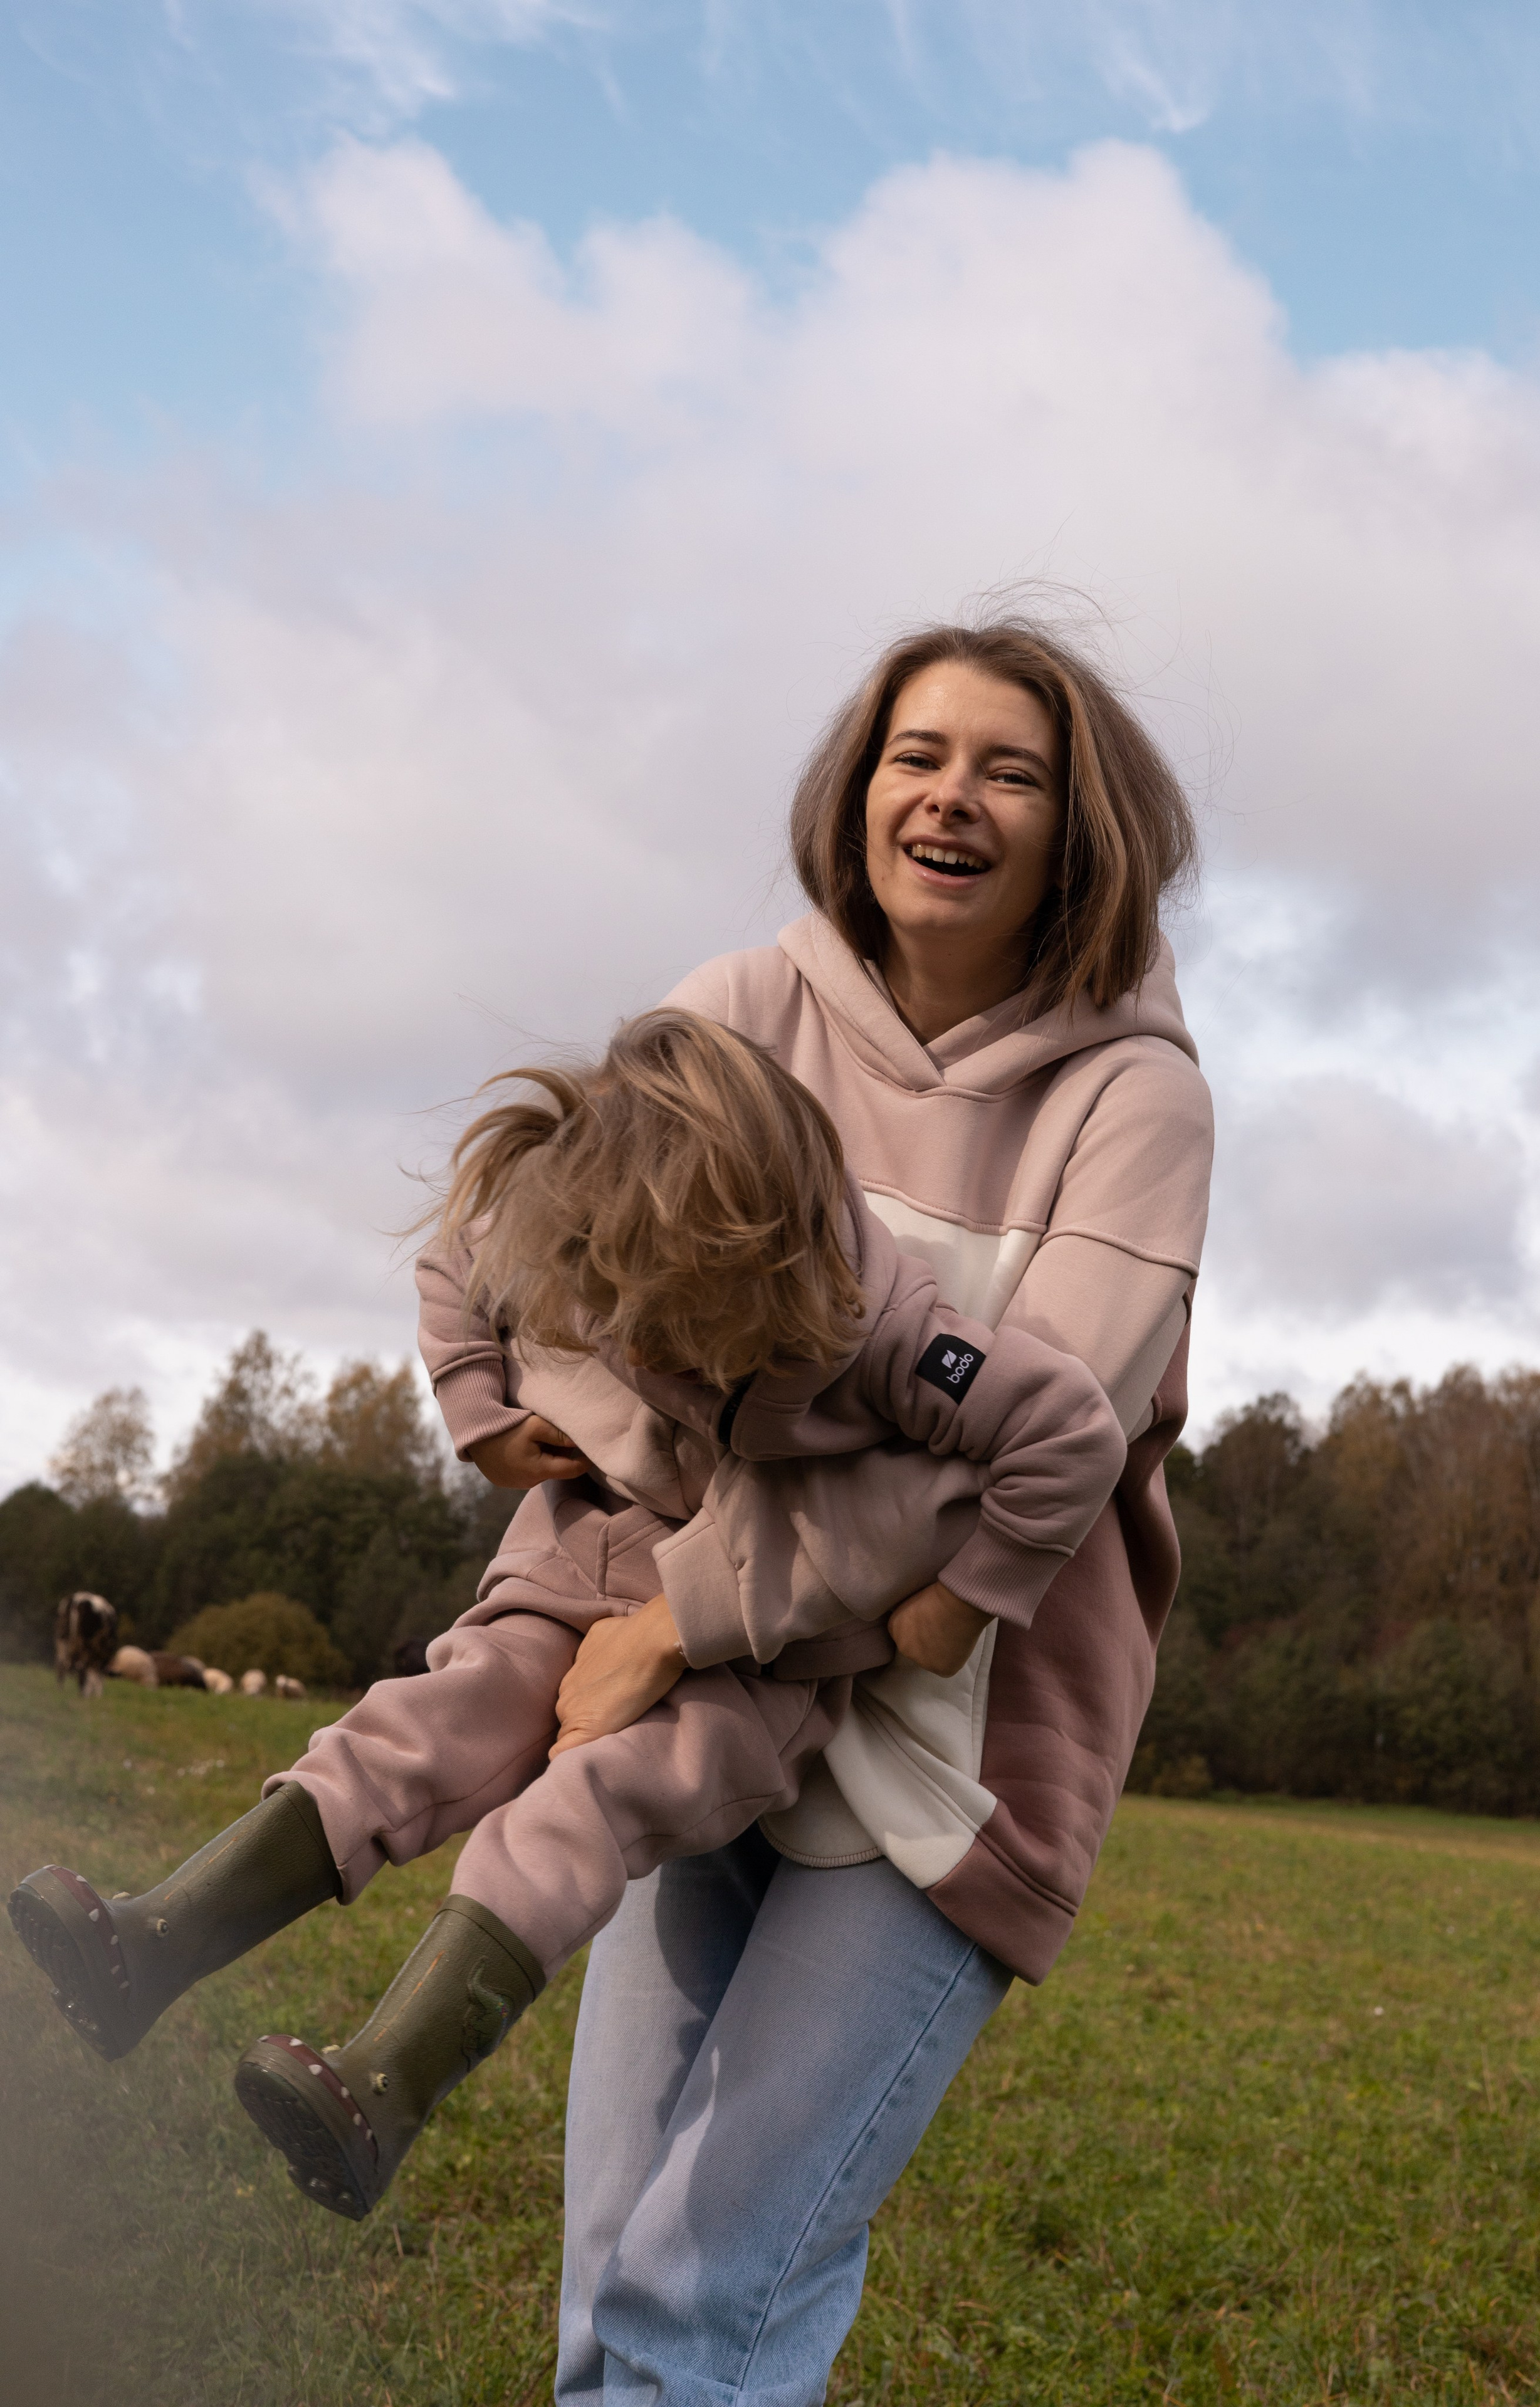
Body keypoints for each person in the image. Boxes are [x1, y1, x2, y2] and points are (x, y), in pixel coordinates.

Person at [431, 614, 1213, 2405]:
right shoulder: (738, 1010)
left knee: (700, 2302)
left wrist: (679, 1612)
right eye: (915, 757)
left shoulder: (1139, 1102)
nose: (950, 798)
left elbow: (1018, 1448)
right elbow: (563, 1259)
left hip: (944, 1737)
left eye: (1010, 773)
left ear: (1080, 830)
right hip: (695, 1710)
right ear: (857, 791)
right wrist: (492, 1403)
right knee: (604, 2285)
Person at [6, 1010, 1125, 2227]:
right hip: (578, 1560)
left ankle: (382, 2091)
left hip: (755, 1661)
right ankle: (148, 1946)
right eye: (609, 1302)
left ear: (772, 1271)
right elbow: (458, 1259)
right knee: (420, 1727)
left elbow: (1067, 1433)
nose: (630, 1342)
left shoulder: (893, 1338)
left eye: (671, 1325)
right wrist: (480, 1412)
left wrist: (966, 1601)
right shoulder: (586, 1213)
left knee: (583, 1806)